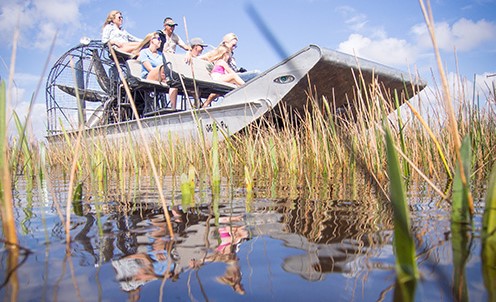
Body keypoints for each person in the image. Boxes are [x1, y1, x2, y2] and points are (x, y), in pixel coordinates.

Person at [156, 17, 192, 109]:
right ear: (165, 26)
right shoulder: (159, 35)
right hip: (160, 59)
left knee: (176, 80)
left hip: (171, 60)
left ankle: (173, 107)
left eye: (173, 26)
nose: (172, 28)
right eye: (170, 26)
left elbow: (185, 46)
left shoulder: (175, 37)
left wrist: (188, 51)